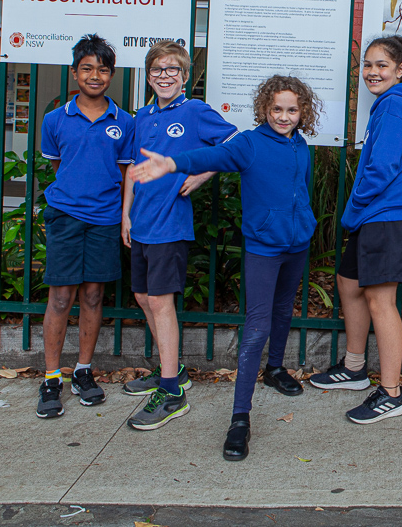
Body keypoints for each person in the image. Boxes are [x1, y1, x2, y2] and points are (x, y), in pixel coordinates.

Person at [130, 75, 322, 460]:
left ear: (303, 113)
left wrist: (307, 223)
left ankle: (275, 368)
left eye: (292, 110)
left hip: (297, 243)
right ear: (265, 109)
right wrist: (171, 163)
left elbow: (300, 189)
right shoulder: (250, 144)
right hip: (265, 248)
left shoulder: (302, 146)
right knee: (257, 326)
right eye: (277, 109)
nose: (284, 117)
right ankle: (240, 418)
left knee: (284, 310)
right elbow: (210, 157)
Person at [309, 35, 402, 424]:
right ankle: (355, 367)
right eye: (368, 65)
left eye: (382, 65)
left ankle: (392, 393)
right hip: (376, 214)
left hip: (389, 215)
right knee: (348, 283)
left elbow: (382, 169)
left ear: (400, 69)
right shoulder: (390, 104)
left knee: (381, 300)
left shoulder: (395, 105)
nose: (372, 72)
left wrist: (353, 209)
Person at [119, 41, 238, 431]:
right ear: (149, 76)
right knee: (142, 296)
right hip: (142, 222)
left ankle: (172, 392)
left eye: (172, 70)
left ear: (185, 76)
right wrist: (126, 215)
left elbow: (234, 141)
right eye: (157, 70)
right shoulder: (143, 115)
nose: (164, 76)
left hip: (170, 223)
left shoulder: (195, 111)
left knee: (160, 300)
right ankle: (172, 369)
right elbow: (135, 168)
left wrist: (201, 174)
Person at [36, 34, 135, 419]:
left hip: (105, 219)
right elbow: (59, 165)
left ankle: (83, 371)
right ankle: (51, 378)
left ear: (111, 75)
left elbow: (124, 172)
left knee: (93, 295)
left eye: (103, 69)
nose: (95, 75)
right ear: (75, 72)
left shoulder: (123, 121)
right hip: (66, 216)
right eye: (88, 68)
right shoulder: (55, 119)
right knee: (61, 297)